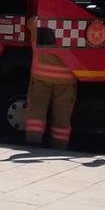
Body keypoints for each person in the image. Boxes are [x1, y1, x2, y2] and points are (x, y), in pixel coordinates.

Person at [24, 15, 77, 149]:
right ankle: (60, 145)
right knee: (62, 115)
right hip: (66, 77)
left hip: (41, 75)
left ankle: (33, 141)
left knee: (37, 110)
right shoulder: (73, 24)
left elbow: (30, 24)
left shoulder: (38, 21)